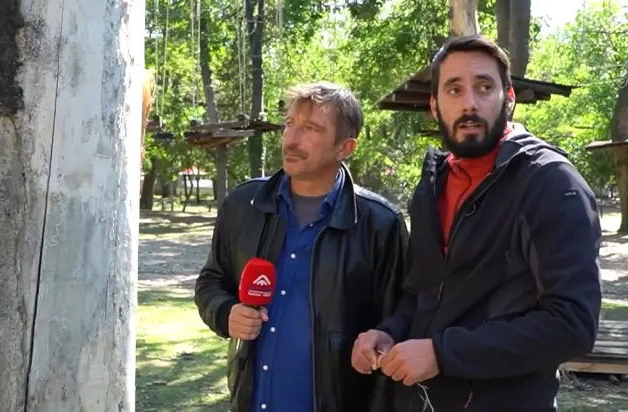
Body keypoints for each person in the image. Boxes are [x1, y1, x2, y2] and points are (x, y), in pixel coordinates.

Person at [351, 35, 603, 411]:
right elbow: (420, 294)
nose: (469, 103)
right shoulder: (432, 186)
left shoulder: (550, 183)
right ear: (434, 106)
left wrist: (442, 353)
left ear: (508, 98)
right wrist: (388, 333)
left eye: (484, 87)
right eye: (454, 89)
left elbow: (572, 325)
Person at [194, 82, 410, 412]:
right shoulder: (243, 205)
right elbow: (211, 281)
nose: (292, 139)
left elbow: (399, 321)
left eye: (310, 129)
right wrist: (226, 313)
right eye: (290, 124)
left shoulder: (380, 224)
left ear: (345, 147)